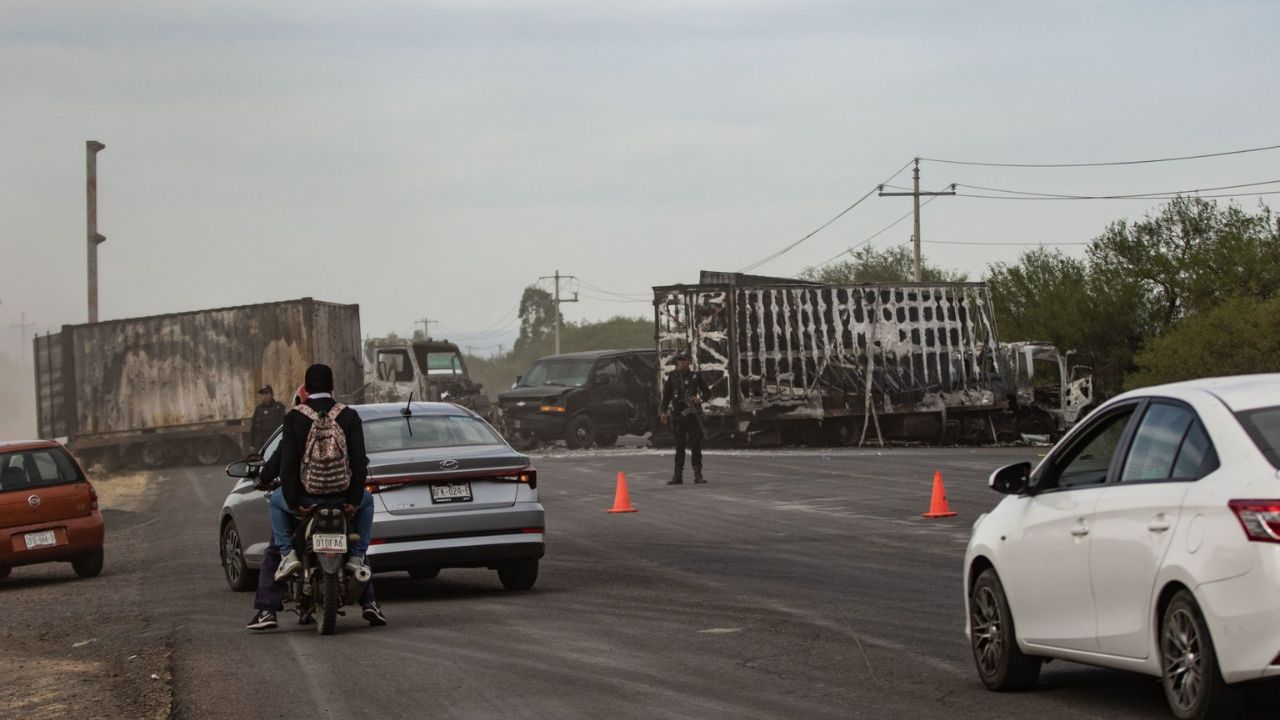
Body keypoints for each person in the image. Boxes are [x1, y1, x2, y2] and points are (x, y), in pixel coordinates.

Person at [247, 386, 386, 631]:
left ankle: (267, 610)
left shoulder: (296, 424)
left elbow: (279, 461)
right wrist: (352, 496)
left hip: (304, 504)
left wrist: (264, 480)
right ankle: (371, 603)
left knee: (274, 549)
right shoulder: (344, 420)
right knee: (356, 549)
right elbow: (360, 461)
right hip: (342, 501)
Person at [270, 364, 374, 582]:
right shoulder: (348, 416)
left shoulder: (294, 418)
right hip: (342, 498)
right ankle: (357, 556)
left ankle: (288, 555)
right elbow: (359, 461)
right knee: (369, 501)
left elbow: (287, 466)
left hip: (308, 499)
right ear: (332, 386)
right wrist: (354, 501)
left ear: (305, 389)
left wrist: (295, 502)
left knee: (274, 502)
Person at [659, 352, 709, 485]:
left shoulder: (695, 376)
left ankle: (697, 473)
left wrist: (699, 399)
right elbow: (667, 395)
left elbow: (707, 392)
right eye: (679, 360)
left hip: (692, 415)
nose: (680, 362)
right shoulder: (673, 376)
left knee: (695, 445)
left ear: (689, 362)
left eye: (683, 360)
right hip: (678, 415)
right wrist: (663, 410)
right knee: (679, 445)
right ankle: (678, 475)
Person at [249, 385, 287, 452]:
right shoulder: (258, 409)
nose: (264, 396)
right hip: (260, 441)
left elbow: (284, 425)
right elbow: (253, 427)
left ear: (272, 394)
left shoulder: (279, 407)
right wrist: (252, 444)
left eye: (266, 393)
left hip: (274, 439)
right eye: (263, 394)